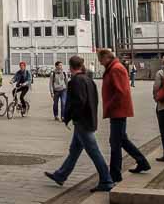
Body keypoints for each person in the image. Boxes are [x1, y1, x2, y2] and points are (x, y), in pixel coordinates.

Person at [44, 55, 114, 193]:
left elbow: (78, 103)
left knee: (93, 151)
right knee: (74, 150)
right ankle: (61, 175)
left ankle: (106, 180)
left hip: (82, 122)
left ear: (70, 67)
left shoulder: (75, 81)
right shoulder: (89, 79)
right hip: (88, 119)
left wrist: (69, 116)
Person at [98, 48, 150, 182]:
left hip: (118, 110)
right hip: (117, 110)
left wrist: (109, 105)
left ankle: (115, 174)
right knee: (121, 140)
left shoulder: (116, 68)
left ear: (107, 57)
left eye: (100, 59)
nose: (99, 62)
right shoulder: (113, 67)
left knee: (115, 142)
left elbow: (121, 92)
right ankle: (142, 162)